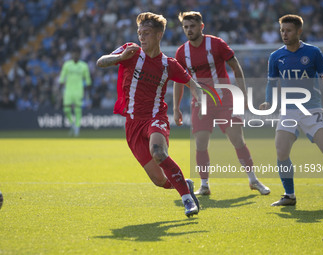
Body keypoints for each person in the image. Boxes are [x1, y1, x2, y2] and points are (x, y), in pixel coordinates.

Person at [96, 12, 202, 217]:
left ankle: (187, 201)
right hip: (133, 124)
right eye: (139, 33)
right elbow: (101, 61)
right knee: (160, 181)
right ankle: (185, 184)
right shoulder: (130, 51)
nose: (141, 37)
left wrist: (201, 100)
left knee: (159, 153)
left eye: (146, 33)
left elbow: (192, 84)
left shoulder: (168, 64)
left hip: (156, 118)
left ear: (159, 35)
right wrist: (119, 57)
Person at [174, 11, 270, 196]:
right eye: (185, 27)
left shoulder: (216, 44)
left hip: (225, 99)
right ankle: (204, 185)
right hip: (201, 103)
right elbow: (178, 81)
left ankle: (253, 180)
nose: (189, 30)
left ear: (201, 26)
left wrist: (242, 93)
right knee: (200, 144)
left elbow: (236, 66)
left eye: (192, 26)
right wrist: (176, 108)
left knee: (237, 139)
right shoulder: (181, 52)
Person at [259, 14, 323, 206]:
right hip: (288, 111)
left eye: (288, 30)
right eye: (282, 30)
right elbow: (271, 83)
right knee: (281, 151)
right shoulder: (276, 56)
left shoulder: (313, 52)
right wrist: (268, 101)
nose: (284, 34)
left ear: (299, 31)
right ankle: (289, 195)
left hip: (312, 110)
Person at [59, 48, 92, 137]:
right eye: (74, 54)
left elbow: (88, 79)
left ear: (79, 55)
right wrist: (60, 85)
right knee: (66, 109)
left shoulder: (84, 66)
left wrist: (88, 89)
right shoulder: (67, 65)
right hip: (68, 90)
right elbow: (62, 77)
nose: (75, 56)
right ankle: (72, 124)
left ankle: (77, 127)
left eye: (77, 54)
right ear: (71, 55)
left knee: (77, 110)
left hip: (78, 90)